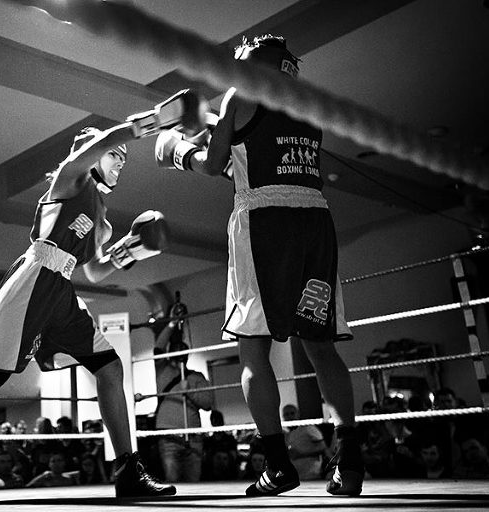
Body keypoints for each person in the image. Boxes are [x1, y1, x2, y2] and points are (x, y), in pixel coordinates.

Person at [0, 93, 208, 505]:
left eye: (123, 156)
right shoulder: (70, 179)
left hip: (61, 292)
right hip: (32, 283)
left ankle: (127, 470)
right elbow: (97, 146)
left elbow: (94, 271)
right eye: (115, 154)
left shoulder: (101, 217)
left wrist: (130, 250)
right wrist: (150, 122)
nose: (121, 161)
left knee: (108, 366)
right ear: (93, 155)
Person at [155, 34, 363, 497]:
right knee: (321, 347)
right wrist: (209, 126)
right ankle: (349, 463)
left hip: (265, 226)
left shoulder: (239, 94)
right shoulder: (309, 105)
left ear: (250, 64)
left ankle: (277, 464)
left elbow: (215, 166)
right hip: (316, 224)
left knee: (253, 349)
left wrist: (178, 150)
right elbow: (258, 156)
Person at [153, 301, 215, 482]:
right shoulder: (162, 370)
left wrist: (190, 392)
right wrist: (172, 322)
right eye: (176, 350)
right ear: (170, 353)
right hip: (168, 436)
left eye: (183, 351)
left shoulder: (196, 376)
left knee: (194, 482)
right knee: (172, 481)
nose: (180, 353)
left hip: (193, 437)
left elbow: (208, 404)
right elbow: (158, 347)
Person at [281, 404, 330, 481]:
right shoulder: (285, 434)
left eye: (292, 413)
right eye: (286, 414)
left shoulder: (308, 428)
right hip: (295, 476)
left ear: (298, 414)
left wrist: (301, 454)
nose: (290, 417)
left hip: (311, 474)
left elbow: (323, 448)